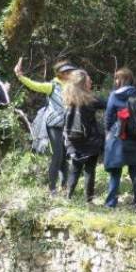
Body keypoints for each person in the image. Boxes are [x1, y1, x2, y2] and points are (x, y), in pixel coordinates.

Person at [14, 57, 77, 195]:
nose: (70, 74)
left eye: (70, 71)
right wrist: (20, 76)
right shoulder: (52, 86)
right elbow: (33, 85)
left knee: (64, 156)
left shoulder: (71, 87)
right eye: (67, 72)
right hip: (53, 124)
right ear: (61, 73)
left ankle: (64, 186)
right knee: (57, 155)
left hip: (64, 125)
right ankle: (52, 188)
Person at [104, 67, 136, 213]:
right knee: (135, 171)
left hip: (120, 138)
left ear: (120, 80)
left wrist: (109, 133)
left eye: (117, 79)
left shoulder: (114, 96)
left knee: (115, 171)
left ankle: (111, 203)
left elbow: (109, 118)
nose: (116, 81)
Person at [61, 70, 107, 202]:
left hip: (73, 141)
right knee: (90, 171)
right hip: (90, 141)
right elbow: (108, 104)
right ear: (82, 83)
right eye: (89, 80)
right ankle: (89, 201)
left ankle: (68, 198)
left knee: (75, 169)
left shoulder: (67, 98)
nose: (91, 82)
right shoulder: (91, 99)